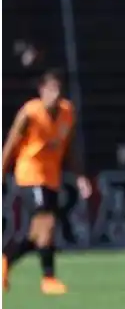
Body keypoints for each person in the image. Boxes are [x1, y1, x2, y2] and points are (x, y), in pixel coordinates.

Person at [2, 70, 92, 294]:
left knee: (37, 234)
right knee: (47, 222)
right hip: (29, 175)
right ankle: (48, 279)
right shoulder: (30, 113)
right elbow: (11, 143)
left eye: (58, 89)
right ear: (41, 91)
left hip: (51, 178)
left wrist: (80, 177)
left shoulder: (67, 113)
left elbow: (70, 149)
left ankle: (4, 261)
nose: (55, 94)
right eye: (50, 89)